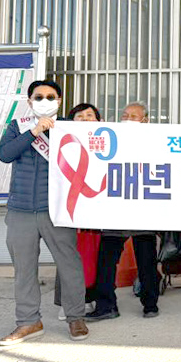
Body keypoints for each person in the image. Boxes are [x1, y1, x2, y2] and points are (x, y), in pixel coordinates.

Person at [0, 80, 89, 345]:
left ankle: (75, 317)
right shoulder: (19, 126)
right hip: (21, 210)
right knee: (24, 269)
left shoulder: (70, 128)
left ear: (59, 100)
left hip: (57, 210)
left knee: (69, 265)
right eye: (38, 97)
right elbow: (5, 154)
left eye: (50, 96)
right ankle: (28, 322)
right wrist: (34, 132)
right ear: (29, 101)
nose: (44, 101)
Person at [85, 102, 161, 321]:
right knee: (106, 262)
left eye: (133, 116)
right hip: (114, 211)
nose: (127, 119)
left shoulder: (156, 140)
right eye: (125, 115)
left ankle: (150, 304)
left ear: (145, 120)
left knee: (146, 262)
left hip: (142, 212)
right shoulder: (110, 139)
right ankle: (106, 305)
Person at [55, 103, 102, 321]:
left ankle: (88, 297)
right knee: (68, 255)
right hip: (69, 206)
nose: (85, 119)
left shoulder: (105, 142)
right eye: (79, 116)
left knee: (92, 254)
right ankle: (65, 303)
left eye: (90, 115)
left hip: (94, 206)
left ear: (99, 121)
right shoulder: (63, 141)